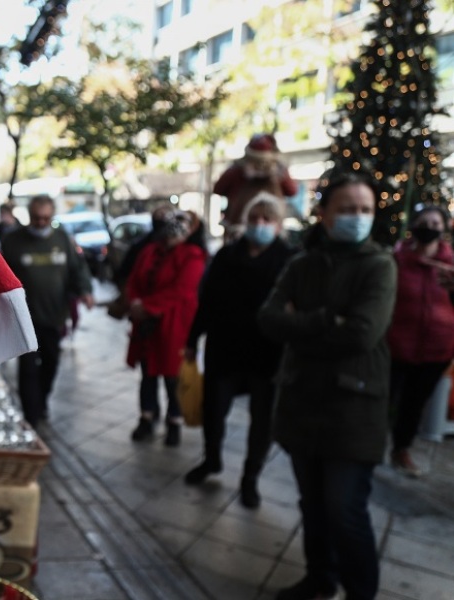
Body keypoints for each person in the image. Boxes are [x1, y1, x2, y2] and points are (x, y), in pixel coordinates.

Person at [257, 172, 395, 600]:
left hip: (354, 408)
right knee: (312, 504)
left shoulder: (379, 266)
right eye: (347, 209)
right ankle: (320, 578)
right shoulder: (302, 264)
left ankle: (360, 591)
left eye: (365, 209)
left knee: (344, 508)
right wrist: (326, 320)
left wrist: (301, 324)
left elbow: (361, 334)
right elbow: (269, 319)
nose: (358, 217)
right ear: (324, 213)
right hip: (302, 401)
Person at [183, 192, 296, 508]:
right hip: (224, 348)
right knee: (213, 410)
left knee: (262, 420)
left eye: (267, 219)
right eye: (254, 218)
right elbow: (207, 301)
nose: (260, 224)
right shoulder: (227, 256)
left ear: (278, 224)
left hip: (267, 353)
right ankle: (212, 459)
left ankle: (250, 477)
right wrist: (192, 340)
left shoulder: (289, 260)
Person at [1, 195, 95, 425]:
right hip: (24, 318)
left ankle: (41, 401)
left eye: (45, 218)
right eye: (36, 218)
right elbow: (1, 274)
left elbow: (77, 269)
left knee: (51, 363)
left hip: (54, 316)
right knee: (28, 369)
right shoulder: (13, 241)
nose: (41, 222)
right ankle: (31, 415)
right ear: (29, 215)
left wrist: (85, 291)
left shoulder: (63, 239)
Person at [125, 209, 208, 446]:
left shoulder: (193, 256)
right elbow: (134, 280)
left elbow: (182, 290)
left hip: (174, 325)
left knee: (173, 377)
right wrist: (135, 302)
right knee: (148, 374)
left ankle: (174, 421)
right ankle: (147, 416)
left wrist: (146, 306)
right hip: (147, 325)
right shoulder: (150, 251)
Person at [386, 205, 454, 477]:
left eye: (435, 223)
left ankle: (401, 449)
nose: (429, 228)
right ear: (413, 226)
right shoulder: (397, 260)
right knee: (385, 398)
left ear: (444, 228)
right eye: (424, 222)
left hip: (436, 350)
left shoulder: (451, 264)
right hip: (396, 345)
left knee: (414, 405)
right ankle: (369, 446)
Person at [214, 133, 298, 241]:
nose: (260, 167)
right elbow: (218, 189)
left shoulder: (279, 172)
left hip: (271, 230)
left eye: (263, 163)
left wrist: (278, 176)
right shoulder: (237, 170)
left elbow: (292, 191)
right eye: (256, 162)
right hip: (238, 229)